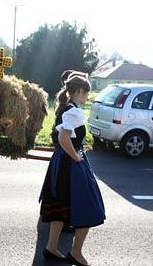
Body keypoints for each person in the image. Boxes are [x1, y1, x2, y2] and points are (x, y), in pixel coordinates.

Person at [39, 75, 105, 266]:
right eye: (86, 93)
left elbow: (62, 139)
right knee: (88, 207)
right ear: (79, 92)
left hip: (62, 162)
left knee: (60, 205)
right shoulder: (74, 111)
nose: (87, 97)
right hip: (70, 164)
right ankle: (76, 252)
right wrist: (76, 157)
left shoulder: (67, 107)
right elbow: (63, 138)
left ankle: (51, 248)